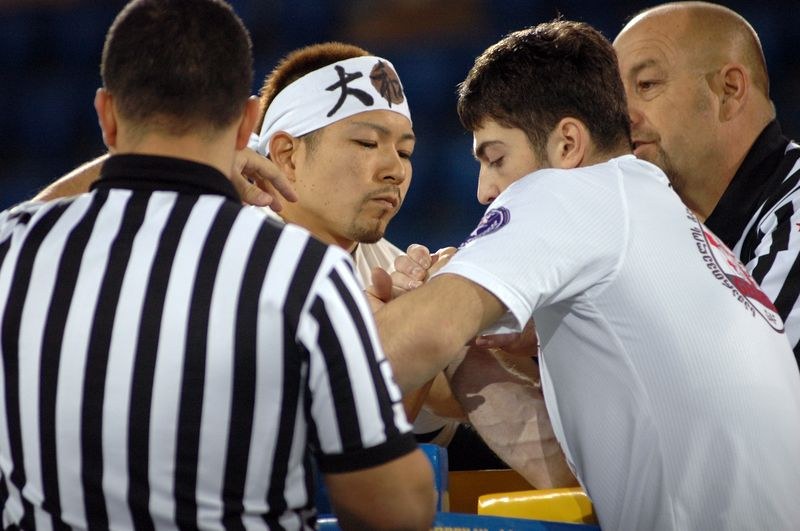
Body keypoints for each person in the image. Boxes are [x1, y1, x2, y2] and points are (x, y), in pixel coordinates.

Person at [0, 1, 435, 529]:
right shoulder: (298, 272)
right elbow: (393, 508)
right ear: (248, 123)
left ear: (106, 116)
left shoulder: (15, 247)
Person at [368, 20, 800, 530]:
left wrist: (381, 315)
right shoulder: (660, 215)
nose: (485, 189)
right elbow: (569, 468)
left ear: (568, 144)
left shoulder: (566, 193)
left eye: (496, 157)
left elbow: (402, 351)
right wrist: (463, 348)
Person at [246, 41, 508, 471]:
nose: (395, 169)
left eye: (404, 151)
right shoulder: (232, 252)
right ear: (287, 156)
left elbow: (444, 406)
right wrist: (420, 330)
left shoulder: (393, 267)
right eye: (367, 143)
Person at [613, 1, 800, 365]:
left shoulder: (794, 213)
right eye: (615, 97)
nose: (622, 116)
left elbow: (736, 389)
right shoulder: (664, 235)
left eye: (646, 84)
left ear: (729, 91)